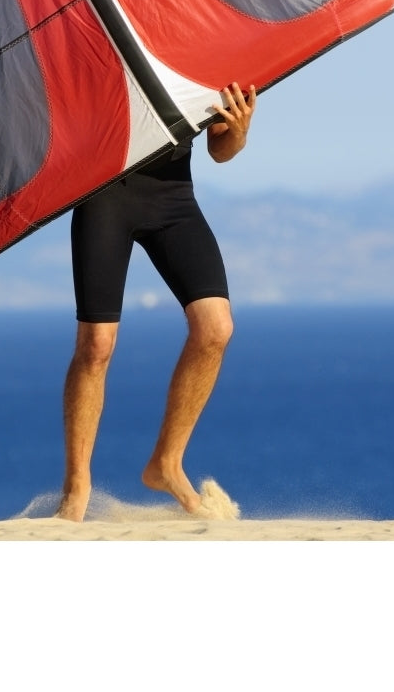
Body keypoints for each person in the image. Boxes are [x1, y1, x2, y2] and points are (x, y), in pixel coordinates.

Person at [56, 82, 257, 522]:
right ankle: (76, 489)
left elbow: (219, 150)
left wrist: (238, 133)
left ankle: (166, 463)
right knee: (96, 345)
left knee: (216, 328)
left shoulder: (204, 40)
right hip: (104, 191)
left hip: (172, 198)